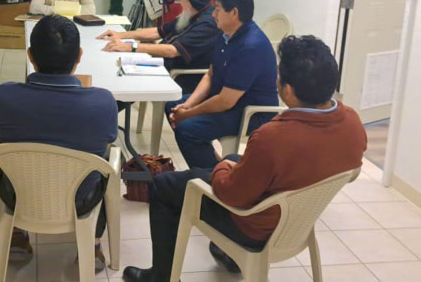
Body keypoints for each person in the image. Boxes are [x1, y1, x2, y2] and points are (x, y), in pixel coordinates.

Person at [123, 35, 368, 281]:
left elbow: (232, 195)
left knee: (164, 185)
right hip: (300, 218)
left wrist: (221, 168)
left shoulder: (273, 137)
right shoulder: (353, 123)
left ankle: (160, 276)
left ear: (288, 90)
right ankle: (229, 256)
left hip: (254, 225)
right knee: (233, 157)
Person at [0, 15, 117, 272]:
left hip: (19, 194)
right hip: (80, 199)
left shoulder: (4, 96)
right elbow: (109, 139)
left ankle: (17, 233)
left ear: (30, 55)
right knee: (108, 160)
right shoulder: (103, 102)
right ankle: (93, 243)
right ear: (79, 56)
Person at [165, 0, 279, 169]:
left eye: (217, 9)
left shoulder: (250, 47)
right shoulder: (225, 34)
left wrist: (188, 114)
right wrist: (188, 105)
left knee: (187, 129)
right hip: (226, 102)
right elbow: (210, 74)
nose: (213, 14)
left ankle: (214, 176)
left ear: (234, 13)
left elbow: (226, 101)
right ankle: (214, 165)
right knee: (173, 104)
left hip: (249, 113)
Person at [96, 0, 220, 94]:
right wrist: (121, 35)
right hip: (163, 64)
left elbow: (172, 51)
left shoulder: (208, 24)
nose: (178, 0)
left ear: (189, 1)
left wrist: (130, 47)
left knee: (124, 81)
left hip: (182, 75)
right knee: (117, 68)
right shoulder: (191, 13)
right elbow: (157, 32)